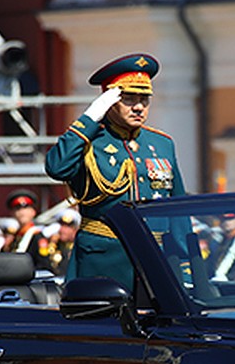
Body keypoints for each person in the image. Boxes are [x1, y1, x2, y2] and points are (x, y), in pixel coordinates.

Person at [45, 53, 185, 291]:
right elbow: (56, 167)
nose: (139, 107)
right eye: (128, 99)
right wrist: (90, 118)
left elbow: (178, 208)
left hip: (156, 262)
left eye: (144, 99)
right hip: (103, 261)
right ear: (109, 101)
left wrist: (185, 262)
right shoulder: (90, 141)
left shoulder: (162, 144)